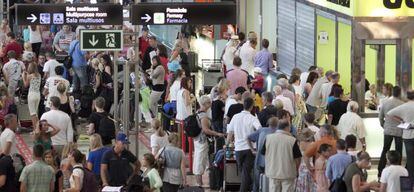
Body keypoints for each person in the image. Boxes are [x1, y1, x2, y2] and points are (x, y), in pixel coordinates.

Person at [227, 97, 261, 192]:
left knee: (244, 172)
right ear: (251, 107)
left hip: (238, 149)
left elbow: (230, 132)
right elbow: (260, 130)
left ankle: (246, 189)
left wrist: (227, 144)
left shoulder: (235, 117)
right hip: (249, 149)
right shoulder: (253, 118)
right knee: (245, 173)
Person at [194, 96, 225, 187]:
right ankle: (199, 183)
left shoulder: (198, 112)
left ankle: (200, 182)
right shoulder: (203, 116)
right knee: (200, 160)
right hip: (202, 140)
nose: (211, 105)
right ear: (205, 104)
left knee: (199, 159)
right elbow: (206, 130)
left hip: (197, 139)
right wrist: (217, 134)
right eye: (209, 103)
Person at [262, 120, 302, 192]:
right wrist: (296, 170)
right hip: (288, 173)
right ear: (287, 127)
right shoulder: (292, 140)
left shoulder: (268, 138)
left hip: (272, 172)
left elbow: (264, 154)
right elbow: (297, 158)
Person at [378, 86, 404, 178]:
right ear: (400, 93)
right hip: (399, 130)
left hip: (388, 130)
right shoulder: (402, 104)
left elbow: (380, 117)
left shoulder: (385, 102)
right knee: (399, 151)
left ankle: (380, 172)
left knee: (385, 149)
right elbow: (404, 119)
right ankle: (398, 173)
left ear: (392, 92)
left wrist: (384, 125)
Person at [387, 90, 414, 177]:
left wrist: (401, 121)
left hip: (407, 135)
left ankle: (410, 182)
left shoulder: (404, 106)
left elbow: (389, 114)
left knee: (410, 159)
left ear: (407, 97)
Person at [247, 117, 278, 192]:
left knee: (257, 182)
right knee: (271, 183)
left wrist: (252, 150)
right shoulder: (278, 133)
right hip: (272, 161)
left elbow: (248, 138)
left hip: (259, 159)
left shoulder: (262, 130)